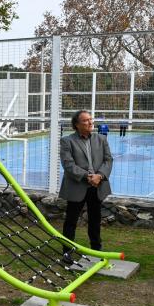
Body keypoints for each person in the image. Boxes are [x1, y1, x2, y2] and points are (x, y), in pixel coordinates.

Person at [59, 110, 113, 260]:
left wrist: (100, 176)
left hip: (97, 186)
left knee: (95, 220)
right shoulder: (67, 141)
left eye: (91, 119)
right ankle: (67, 251)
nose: (90, 123)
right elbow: (68, 165)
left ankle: (96, 249)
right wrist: (87, 177)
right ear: (76, 125)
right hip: (78, 186)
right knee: (71, 221)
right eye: (85, 120)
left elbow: (108, 160)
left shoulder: (101, 139)